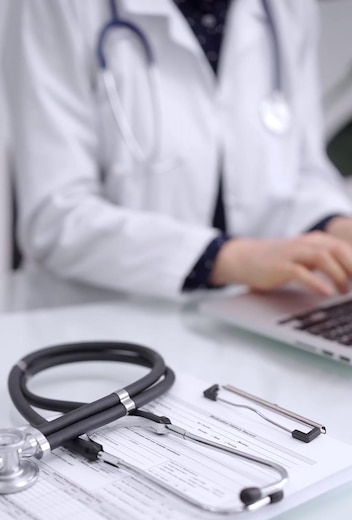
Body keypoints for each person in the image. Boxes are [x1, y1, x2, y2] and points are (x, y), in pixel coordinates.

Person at [4, 0, 352, 299]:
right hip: (93, 322)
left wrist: (335, 227)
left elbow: (302, 171)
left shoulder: (285, 8)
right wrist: (227, 258)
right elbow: (55, 216)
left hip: (244, 315)